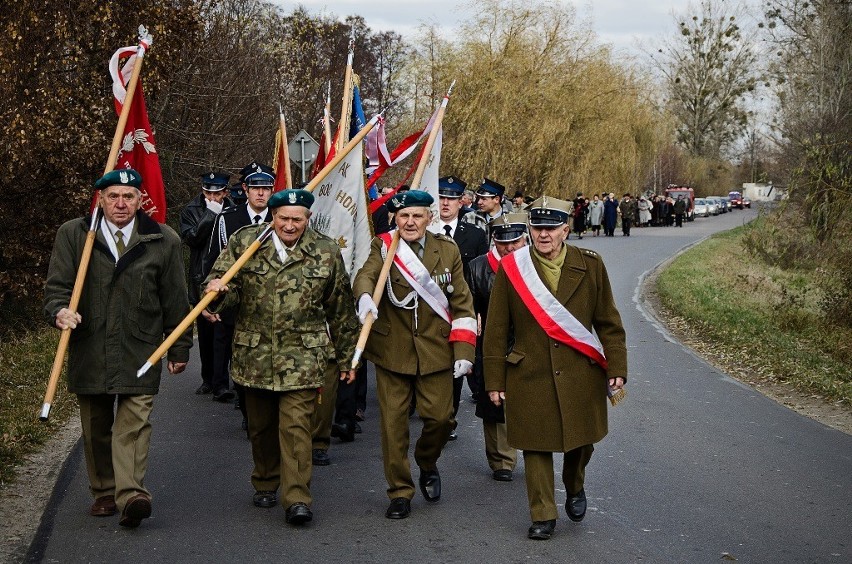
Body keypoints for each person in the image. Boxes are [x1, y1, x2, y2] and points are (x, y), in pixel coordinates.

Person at [44, 169, 192, 529]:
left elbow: (176, 298)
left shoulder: (163, 239)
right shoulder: (75, 235)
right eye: (113, 196)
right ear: (101, 199)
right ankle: (104, 492)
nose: (121, 204)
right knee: (96, 425)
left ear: (141, 199)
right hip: (90, 344)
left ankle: (131, 496)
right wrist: (59, 311)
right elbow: (57, 288)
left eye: (128, 196)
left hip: (140, 349)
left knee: (133, 425)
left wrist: (180, 347)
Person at [204, 188, 358, 526]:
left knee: (296, 427)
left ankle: (297, 496)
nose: (289, 226)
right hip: (254, 354)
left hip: (304, 356)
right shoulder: (246, 244)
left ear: (308, 219)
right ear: (272, 217)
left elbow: (341, 310)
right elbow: (221, 289)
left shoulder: (325, 251)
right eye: (283, 218)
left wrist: (348, 358)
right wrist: (216, 294)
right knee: (260, 427)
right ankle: (265, 478)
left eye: (297, 219)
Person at [483, 195, 627, 540]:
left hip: (580, 372)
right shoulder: (513, 268)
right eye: (537, 228)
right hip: (528, 371)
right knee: (535, 445)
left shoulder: (590, 264)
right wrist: (494, 379)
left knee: (582, 443)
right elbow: (497, 329)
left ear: (566, 229)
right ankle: (543, 513)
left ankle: (574, 484)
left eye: (550, 228)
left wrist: (616, 366)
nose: (543, 235)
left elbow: (608, 321)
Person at [352, 190, 476, 520]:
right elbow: (366, 275)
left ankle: (426, 460)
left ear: (429, 218)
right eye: (403, 216)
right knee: (393, 427)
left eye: (417, 216)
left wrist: (464, 349)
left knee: (441, 419)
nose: (409, 222)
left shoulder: (447, 250)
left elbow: (462, 302)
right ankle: (400, 491)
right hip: (393, 351)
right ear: (395, 218)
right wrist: (364, 296)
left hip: (436, 351)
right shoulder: (384, 246)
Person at [202, 163, 274, 431]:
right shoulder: (228, 219)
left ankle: (261, 409)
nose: (260, 194)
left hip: (268, 301)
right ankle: (243, 406)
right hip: (234, 299)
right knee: (236, 352)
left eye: (265, 189)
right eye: (255, 188)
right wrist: (208, 296)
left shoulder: (280, 218)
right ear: (245, 189)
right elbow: (214, 258)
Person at [464, 213, 527, 482]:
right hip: (492, 340)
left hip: (527, 341)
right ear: (494, 241)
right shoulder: (478, 267)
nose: (510, 247)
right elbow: (467, 303)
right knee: (494, 399)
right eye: (503, 242)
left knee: (528, 400)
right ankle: (502, 460)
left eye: (515, 241)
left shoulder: (536, 265)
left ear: (525, 239)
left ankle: (533, 447)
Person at [428, 175, 488, 435]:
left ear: (462, 202)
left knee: (455, 362)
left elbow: (482, 275)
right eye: (441, 197)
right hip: (429, 307)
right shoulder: (425, 231)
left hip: (461, 309)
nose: (445, 203)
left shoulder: (474, 234)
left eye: (451, 199)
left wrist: (479, 312)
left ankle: (448, 417)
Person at [179, 171, 234, 401]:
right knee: (206, 331)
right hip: (202, 275)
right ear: (203, 191)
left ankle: (224, 379)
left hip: (228, 278)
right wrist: (210, 215)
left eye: (218, 193)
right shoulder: (191, 210)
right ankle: (208, 379)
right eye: (208, 192)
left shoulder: (234, 208)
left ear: (225, 192)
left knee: (226, 330)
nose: (213, 197)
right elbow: (192, 239)